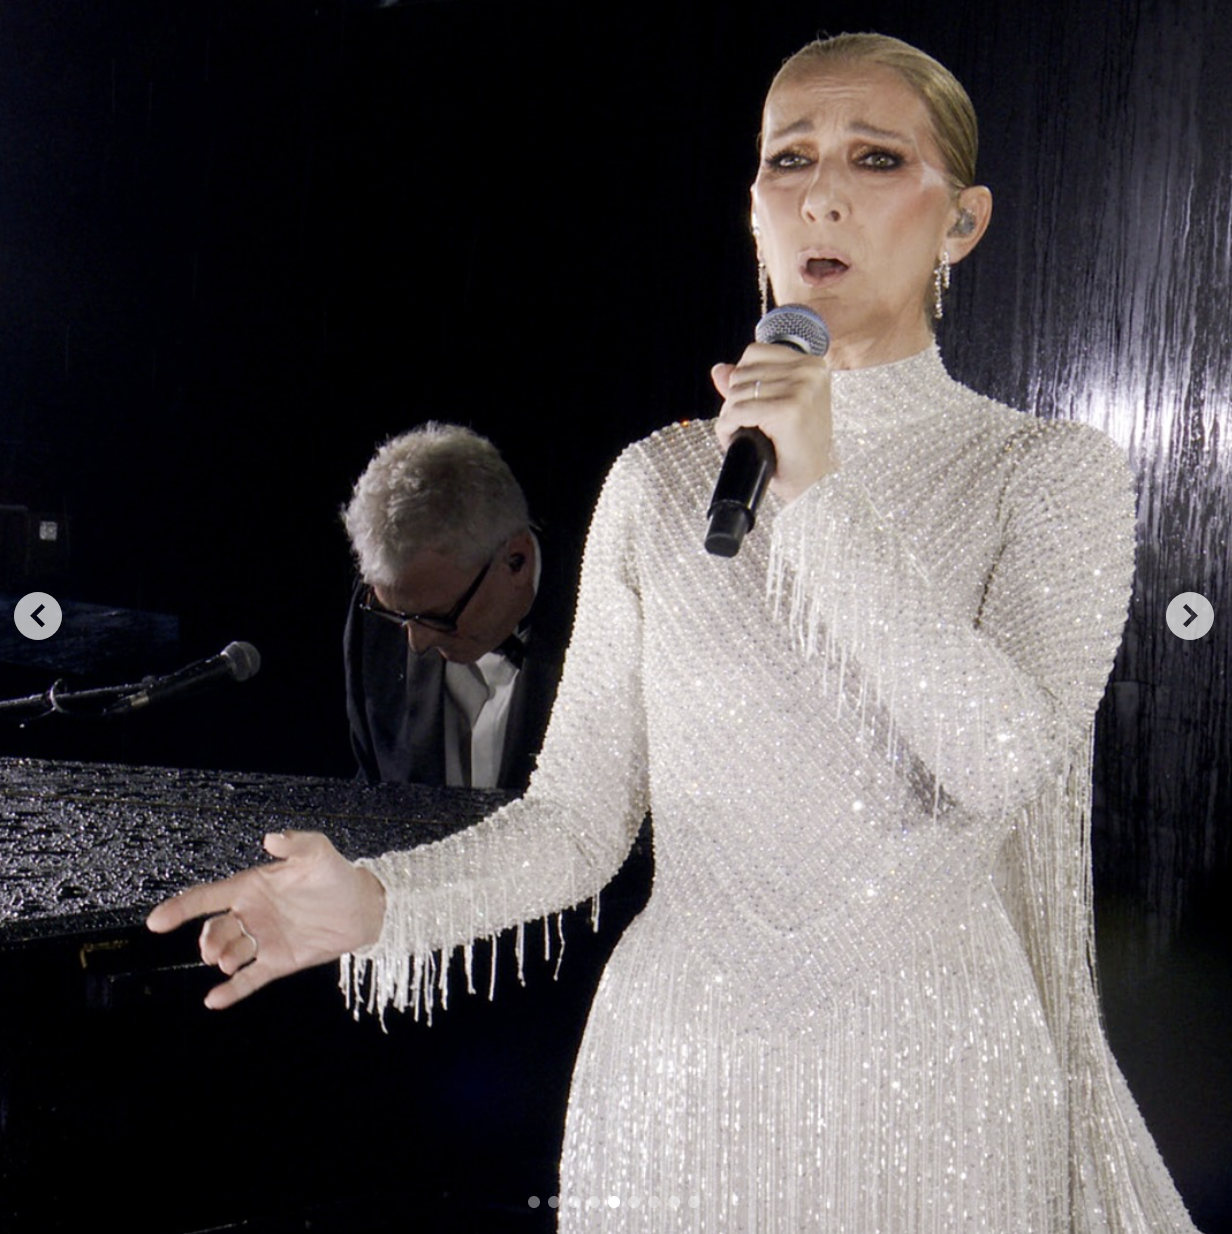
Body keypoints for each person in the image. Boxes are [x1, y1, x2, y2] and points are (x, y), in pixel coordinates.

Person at [149, 33, 1200, 1232]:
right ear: (753, 208)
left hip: (939, 1092)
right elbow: (577, 822)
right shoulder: (657, 482)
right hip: (676, 1089)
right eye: (786, 158)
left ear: (958, 222)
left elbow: (1004, 759)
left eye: (872, 157)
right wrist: (381, 905)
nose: (820, 191)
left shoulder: (1047, 474)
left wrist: (819, 495)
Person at [341, 422, 570, 790]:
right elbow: (376, 794)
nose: (416, 642)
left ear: (517, 560)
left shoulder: (611, 625)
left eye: (437, 617)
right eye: (399, 615)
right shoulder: (381, 615)